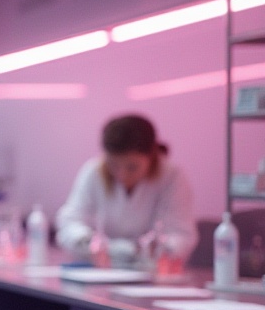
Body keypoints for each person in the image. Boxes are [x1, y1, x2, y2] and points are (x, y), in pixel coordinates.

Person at [56, 113, 196, 264]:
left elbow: (181, 235)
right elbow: (69, 222)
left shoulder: (171, 177)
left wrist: (154, 249)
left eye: (132, 167)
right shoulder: (94, 171)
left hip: (151, 272)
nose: (121, 175)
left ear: (152, 156)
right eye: (113, 165)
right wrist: (89, 242)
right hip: (105, 267)